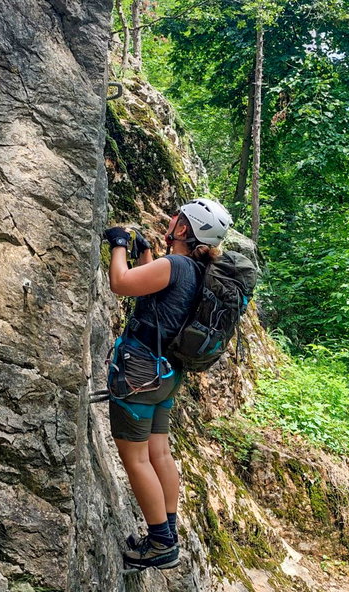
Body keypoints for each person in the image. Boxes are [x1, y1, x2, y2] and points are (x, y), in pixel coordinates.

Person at [103, 198, 233, 571]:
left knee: (137, 459)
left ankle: (161, 543)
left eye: (177, 217)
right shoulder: (194, 270)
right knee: (160, 454)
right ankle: (168, 531)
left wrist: (118, 244)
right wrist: (146, 254)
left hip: (141, 374)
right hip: (166, 376)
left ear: (184, 230)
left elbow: (121, 284)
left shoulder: (174, 264)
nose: (171, 219)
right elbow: (155, 295)